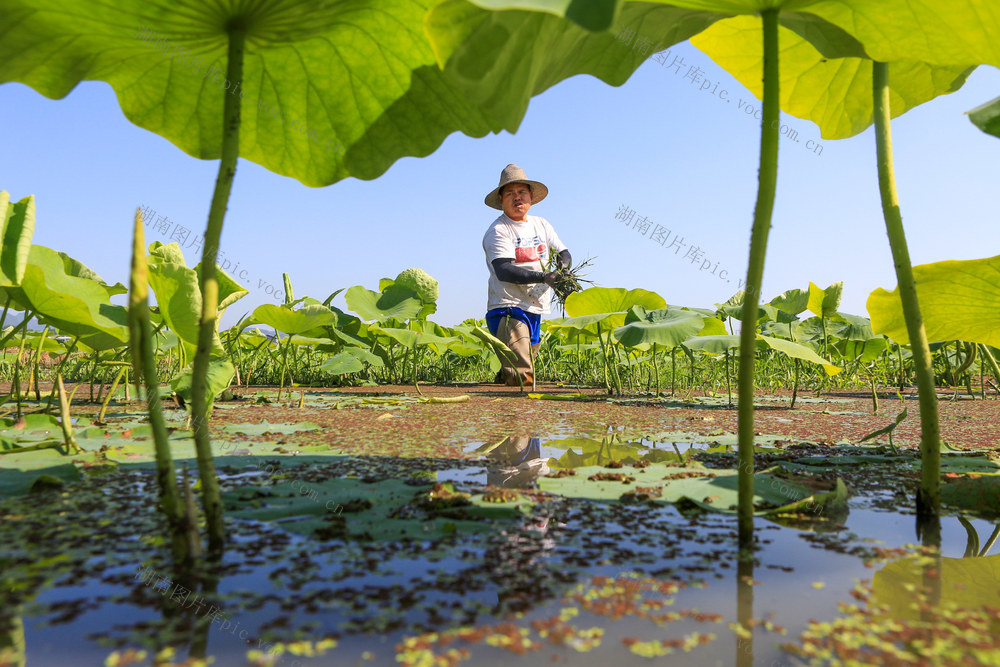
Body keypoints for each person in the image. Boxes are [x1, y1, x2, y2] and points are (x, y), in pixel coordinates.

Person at [482, 164, 571, 389]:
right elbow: (504, 270)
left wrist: (563, 270)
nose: (517, 198)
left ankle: (505, 374)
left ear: (530, 196)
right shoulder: (499, 231)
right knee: (523, 378)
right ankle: (519, 421)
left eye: (521, 192)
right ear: (501, 200)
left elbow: (563, 252)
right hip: (508, 307)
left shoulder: (541, 224)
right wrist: (545, 277)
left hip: (535, 307)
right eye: (510, 193)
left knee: (521, 364)